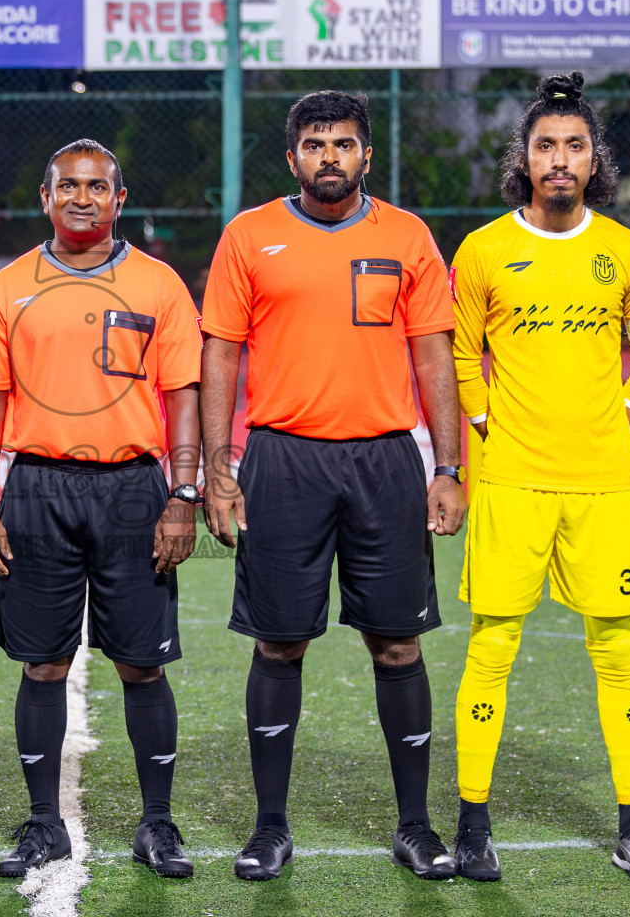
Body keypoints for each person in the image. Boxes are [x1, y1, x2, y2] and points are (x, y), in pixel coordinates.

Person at [200, 90, 466, 882]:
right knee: (280, 642)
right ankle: (270, 827)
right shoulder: (249, 236)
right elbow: (219, 355)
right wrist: (218, 466)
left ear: (366, 156)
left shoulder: (408, 235)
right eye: (315, 145)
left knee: (397, 641)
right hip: (283, 459)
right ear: (293, 158)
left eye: (344, 144)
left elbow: (434, 360)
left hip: (386, 459)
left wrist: (448, 467)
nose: (330, 157)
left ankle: (415, 826)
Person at [450, 72, 630, 884]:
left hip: (605, 482)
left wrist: (619, 419)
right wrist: (483, 426)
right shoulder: (483, 251)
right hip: (512, 481)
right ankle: (472, 825)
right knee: (493, 646)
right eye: (546, 145)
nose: (559, 159)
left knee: (616, 649)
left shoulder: (626, 251)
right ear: (525, 157)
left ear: (593, 158)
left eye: (574, 145)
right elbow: (457, 355)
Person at [0, 140, 201, 879]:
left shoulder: (159, 286)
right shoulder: (7, 287)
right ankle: (42, 825)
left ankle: (157, 825)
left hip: (134, 487)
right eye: (68, 186)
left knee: (142, 666)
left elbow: (182, 396)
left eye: (97, 187)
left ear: (119, 201)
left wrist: (184, 493)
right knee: (42, 664)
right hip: (38, 486)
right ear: (45, 198)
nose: (81, 198)